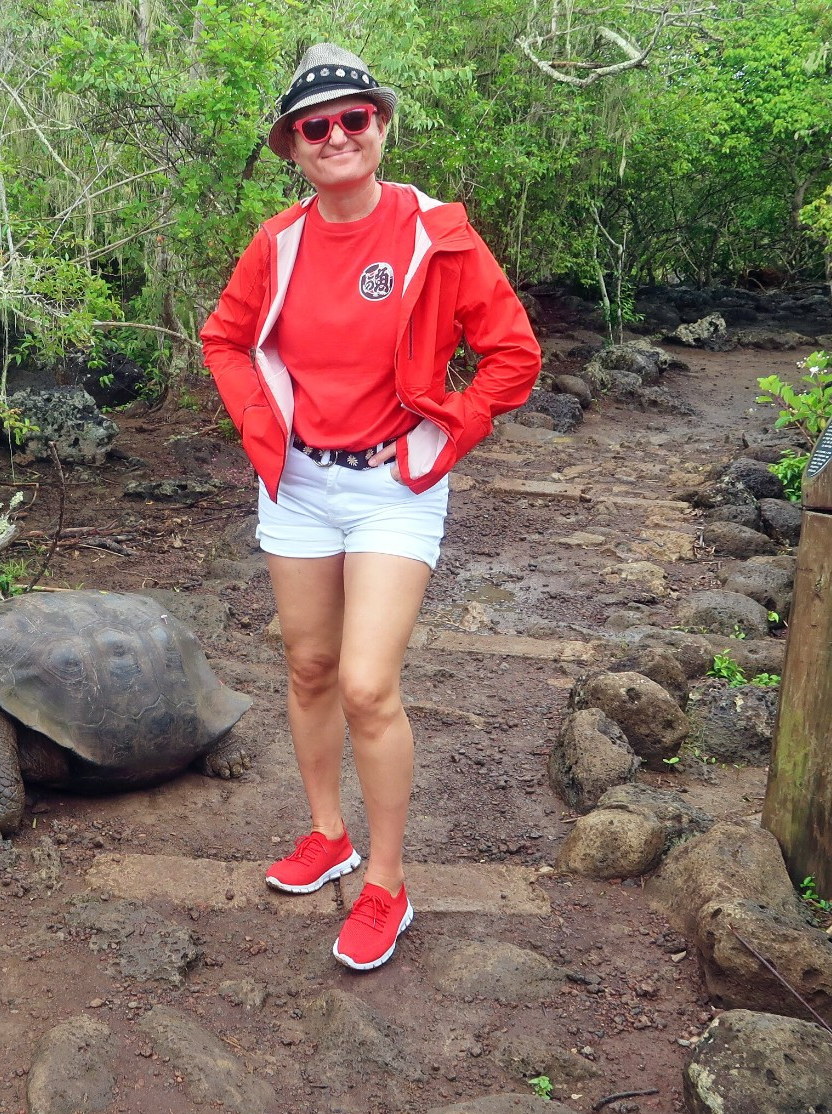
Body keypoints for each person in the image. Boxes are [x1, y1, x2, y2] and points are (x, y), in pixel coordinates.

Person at [198, 44, 541, 970]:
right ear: (293, 148)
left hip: (395, 488)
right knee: (308, 666)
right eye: (317, 126)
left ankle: (387, 882)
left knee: (365, 684)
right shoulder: (278, 243)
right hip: (300, 487)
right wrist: (259, 423)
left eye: (355, 118)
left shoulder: (438, 232)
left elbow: (513, 355)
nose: (338, 135)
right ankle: (328, 835)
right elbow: (225, 339)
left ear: (381, 127)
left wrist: (448, 430)